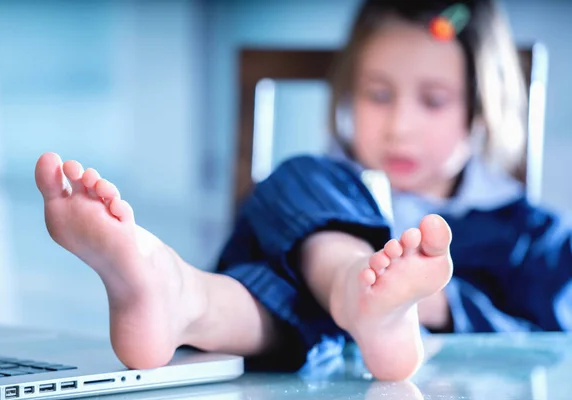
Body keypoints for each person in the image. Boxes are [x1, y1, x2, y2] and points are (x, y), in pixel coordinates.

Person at [34, 0, 572, 381]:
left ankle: (194, 298)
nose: (399, 126)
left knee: (288, 286)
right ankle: (182, 295)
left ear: (482, 107)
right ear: (347, 95)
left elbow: (552, 337)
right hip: (306, 344)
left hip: (340, 358)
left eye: (433, 100)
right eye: (378, 95)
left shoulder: (531, 234)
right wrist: (366, 275)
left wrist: (440, 304)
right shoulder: (320, 184)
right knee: (301, 179)